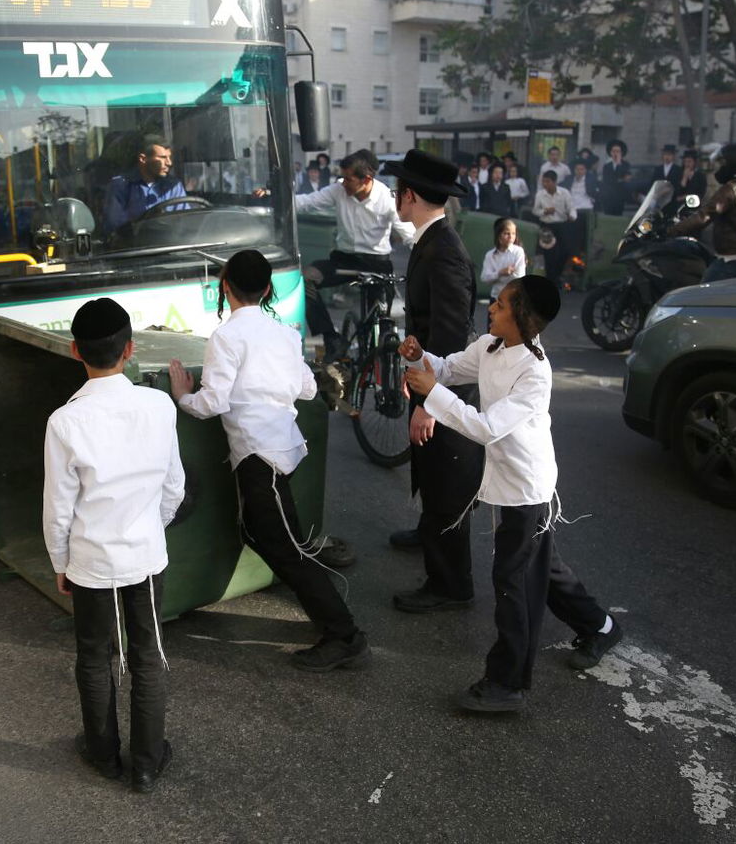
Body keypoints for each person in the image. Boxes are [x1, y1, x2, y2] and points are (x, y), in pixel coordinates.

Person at [399, 276, 623, 713]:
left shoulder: (534, 372)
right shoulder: (488, 346)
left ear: (521, 316)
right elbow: (446, 368)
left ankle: (507, 683)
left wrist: (433, 396)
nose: (492, 308)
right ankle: (601, 625)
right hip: (505, 479)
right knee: (540, 569)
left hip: (527, 487)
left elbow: (485, 427)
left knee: (513, 581)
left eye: (500, 304)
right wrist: (421, 357)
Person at [168, 250, 371, 672]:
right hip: (278, 450)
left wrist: (182, 395)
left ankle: (344, 634)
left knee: (284, 547)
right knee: (264, 535)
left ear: (225, 285)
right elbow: (309, 390)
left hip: (260, 456)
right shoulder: (284, 334)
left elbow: (213, 403)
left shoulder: (226, 337)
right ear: (266, 290)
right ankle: (328, 608)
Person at [42, 297, 184, 793]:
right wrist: (152, 526)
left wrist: (60, 561)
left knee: (94, 655)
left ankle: (103, 754)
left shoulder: (64, 421)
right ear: (131, 350)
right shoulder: (159, 405)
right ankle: (146, 763)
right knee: (149, 655)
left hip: (90, 560)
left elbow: (58, 507)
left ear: (74, 350)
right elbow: (174, 486)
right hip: (145, 554)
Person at [381, 150, 485, 607]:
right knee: (433, 470)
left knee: (447, 481)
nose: (394, 196)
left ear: (411, 195)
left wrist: (430, 403)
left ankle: (450, 585)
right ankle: (429, 535)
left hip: (445, 388)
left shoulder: (443, 251)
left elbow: (450, 334)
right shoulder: (431, 239)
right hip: (431, 378)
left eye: (398, 189)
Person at [290, 149, 411, 363]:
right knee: (304, 280)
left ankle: (384, 370)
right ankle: (331, 338)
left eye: (348, 179)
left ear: (366, 180)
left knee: (383, 326)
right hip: (344, 260)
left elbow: (410, 236)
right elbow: (307, 201)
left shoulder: (386, 199)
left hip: (377, 264)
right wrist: (275, 199)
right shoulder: (338, 190)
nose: (343, 183)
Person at [669, 142, 736, 281]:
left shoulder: (731, 189)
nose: (721, 167)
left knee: (702, 291)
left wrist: (672, 230)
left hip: (734, 259)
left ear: (735, 164)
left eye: (724, 163)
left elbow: (703, 216)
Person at [103, 134, 190, 232]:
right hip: (137, 245)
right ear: (143, 159)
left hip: (170, 243)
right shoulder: (120, 186)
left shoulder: (174, 186)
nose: (169, 163)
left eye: (169, 157)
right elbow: (115, 226)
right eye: (162, 157)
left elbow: (184, 223)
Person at [480, 218, 527, 333]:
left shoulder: (518, 252)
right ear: (499, 235)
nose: (510, 236)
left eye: (513, 233)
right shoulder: (490, 255)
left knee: (512, 331)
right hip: (496, 298)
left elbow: (519, 276)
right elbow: (485, 277)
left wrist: (497, 277)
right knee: (492, 332)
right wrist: (501, 272)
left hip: (513, 299)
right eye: (506, 233)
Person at [531, 170, 577, 286]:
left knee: (565, 251)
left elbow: (572, 208)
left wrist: (572, 216)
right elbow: (535, 211)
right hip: (547, 226)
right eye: (543, 182)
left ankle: (557, 275)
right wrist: (545, 211)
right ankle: (551, 279)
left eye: (548, 181)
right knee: (549, 254)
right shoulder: (540, 194)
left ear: (555, 182)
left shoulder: (564, 193)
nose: (545, 184)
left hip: (561, 224)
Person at [599, 139, 631, 215]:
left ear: (621, 153)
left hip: (620, 195)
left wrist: (619, 164)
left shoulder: (625, 164)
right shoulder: (607, 166)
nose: (615, 153)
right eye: (614, 151)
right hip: (609, 195)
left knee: (618, 214)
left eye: (618, 151)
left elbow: (625, 177)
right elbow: (606, 180)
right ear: (610, 153)